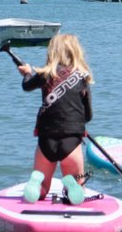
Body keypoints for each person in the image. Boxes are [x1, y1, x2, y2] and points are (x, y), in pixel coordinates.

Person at [15, 34, 94, 204]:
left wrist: (27, 73)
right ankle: (73, 185)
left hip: (46, 139)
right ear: (76, 53)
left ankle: (37, 185)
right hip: (71, 141)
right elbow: (88, 115)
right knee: (78, 189)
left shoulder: (45, 74)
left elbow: (26, 86)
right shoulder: (82, 77)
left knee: (42, 190)